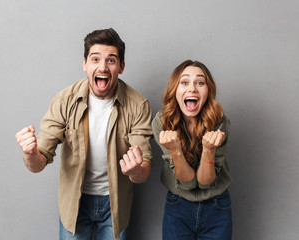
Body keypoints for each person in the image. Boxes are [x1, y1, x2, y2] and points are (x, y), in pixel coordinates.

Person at [15, 28, 153, 240]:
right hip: (75, 201)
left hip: (115, 203)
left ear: (121, 67)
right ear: (85, 64)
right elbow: (37, 164)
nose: (102, 67)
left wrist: (135, 170)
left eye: (111, 60)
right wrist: (30, 153)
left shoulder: (138, 105)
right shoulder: (64, 101)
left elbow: (143, 172)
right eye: (95, 59)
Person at [152, 60, 232, 240]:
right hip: (178, 205)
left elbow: (204, 182)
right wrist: (175, 151)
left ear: (208, 90)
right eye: (185, 82)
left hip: (217, 205)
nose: (192, 89)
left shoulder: (219, 120)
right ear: (175, 90)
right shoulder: (161, 122)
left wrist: (209, 150)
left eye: (200, 83)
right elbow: (188, 183)